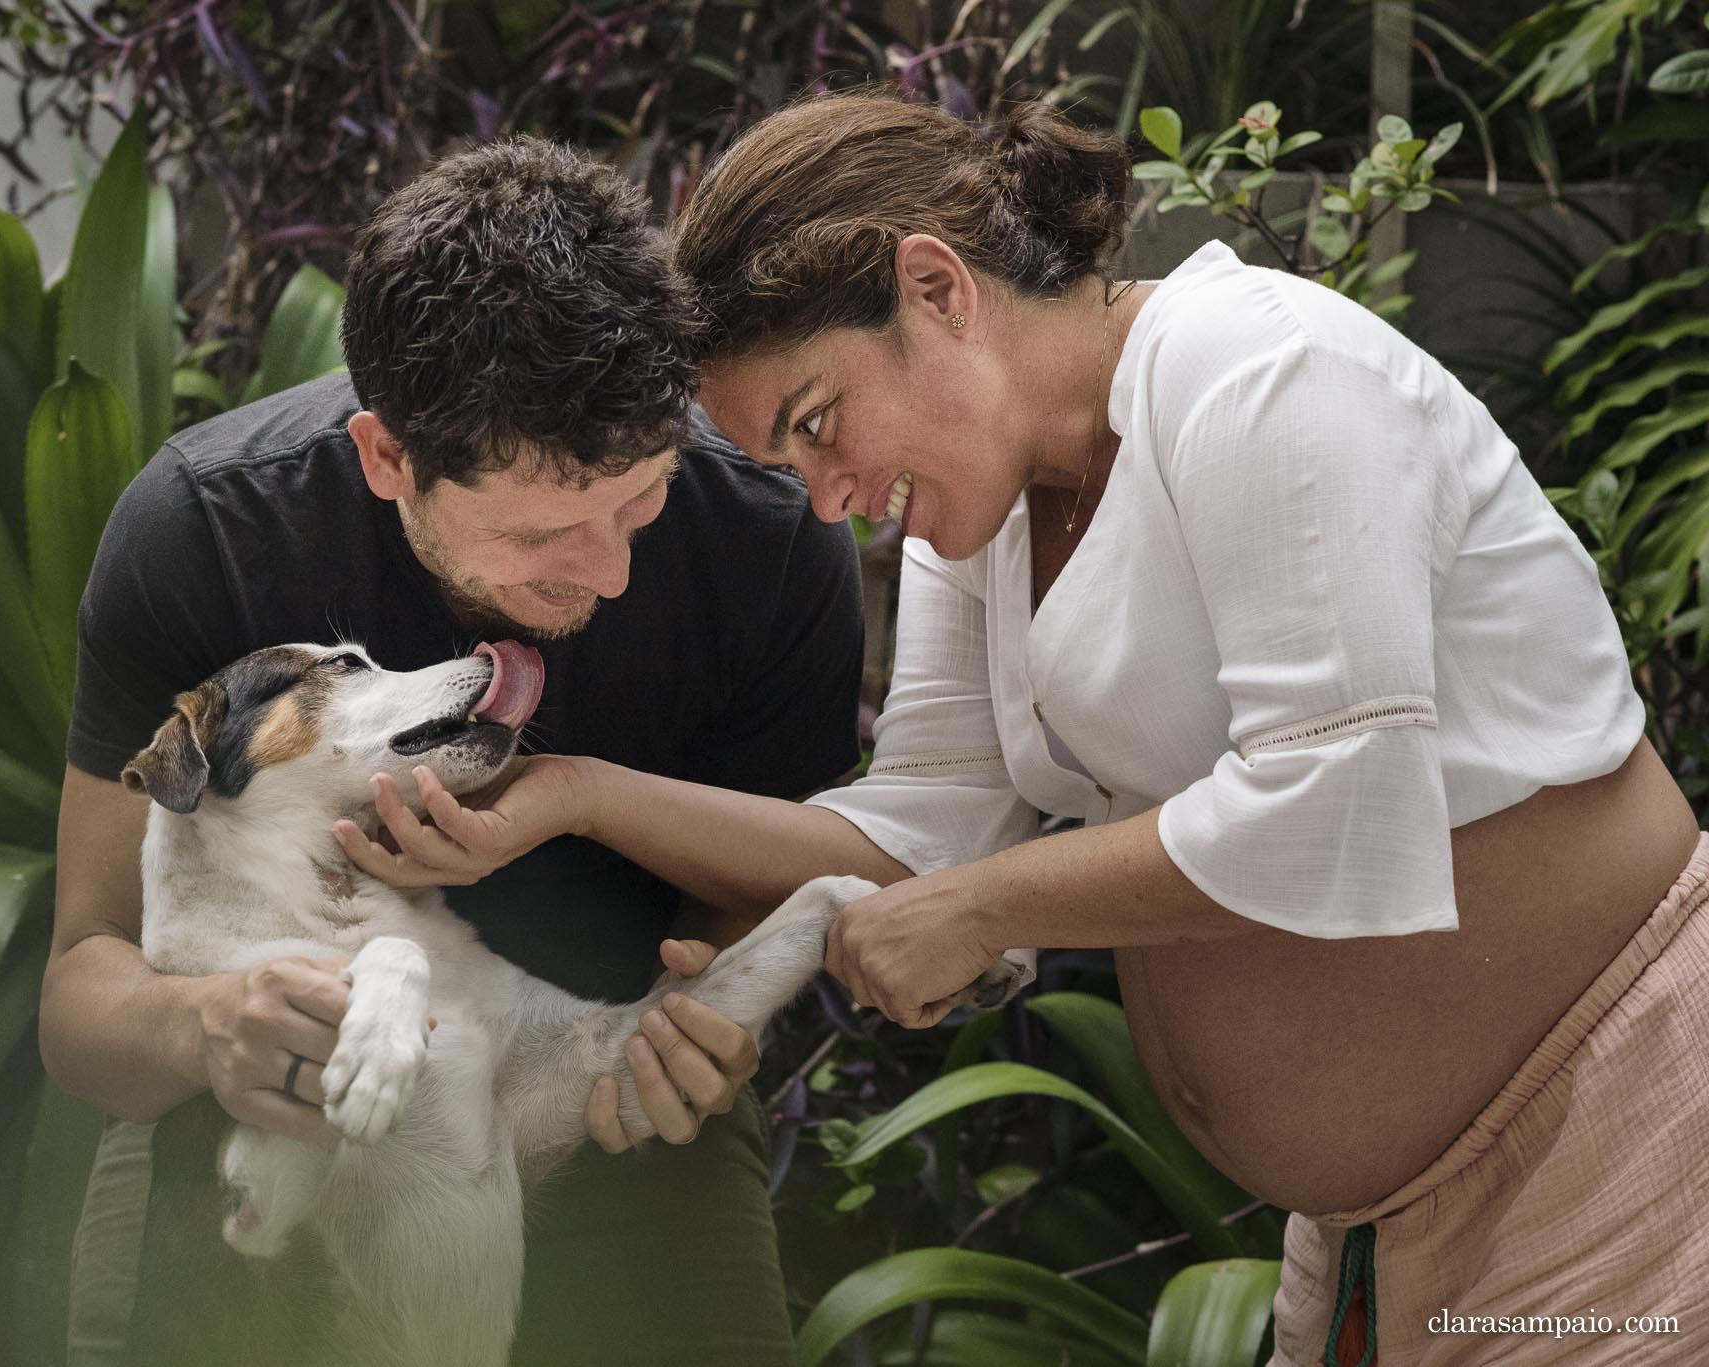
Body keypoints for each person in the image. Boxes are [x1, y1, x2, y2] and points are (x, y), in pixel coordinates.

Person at [338, 94, 1709, 1364]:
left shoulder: (1261, 371)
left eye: (822, 423)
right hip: (1381, 1225)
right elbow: (916, 833)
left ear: (938, 289)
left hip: (1619, 1121)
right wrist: (576, 788)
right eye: (788, 463)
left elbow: (1340, 801)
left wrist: (993, 905)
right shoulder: (979, 518)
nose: (827, 500)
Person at [39, 137, 864, 1367]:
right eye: (542, 531)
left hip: (601, 1104)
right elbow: (79, 991)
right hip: (260, 1123)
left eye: (639, 499)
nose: (613, 569)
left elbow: (752, 892)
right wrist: (202, 1026)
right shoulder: (208, 529)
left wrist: (709, 1024)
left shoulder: (767, 535)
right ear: (387, 458)